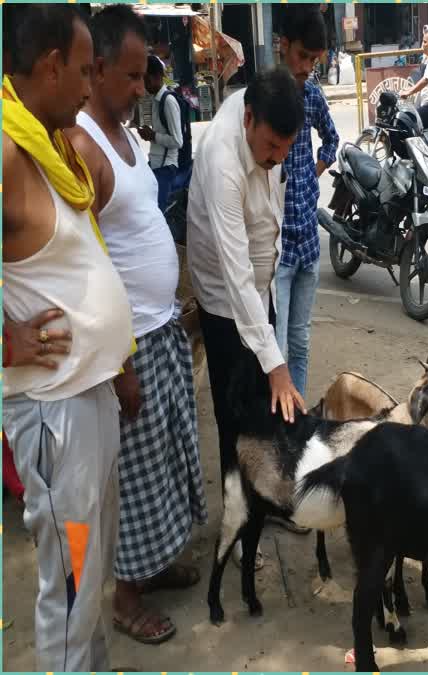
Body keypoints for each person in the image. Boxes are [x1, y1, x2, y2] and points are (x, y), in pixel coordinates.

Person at [65, 5, 208, 646]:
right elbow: (79, 269)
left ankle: (148, 570)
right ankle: (124, 597)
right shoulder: (81, 149)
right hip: (130, 347)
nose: (139, 86)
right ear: (94, 70)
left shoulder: (124, 135)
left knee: (170, 460)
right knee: (139, 479)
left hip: (161, 329)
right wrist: (119, 366)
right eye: (128, 75)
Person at [2, 4, 135, 670]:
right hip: (57, 421)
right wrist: (6, 345)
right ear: (52, 65)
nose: (90, 87)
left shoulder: (50, 147)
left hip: (90, 409)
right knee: (75, 585)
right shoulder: (4, 152)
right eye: (84, 71)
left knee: (91, 578)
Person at [186, 66, 307, 565]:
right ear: (248, 118)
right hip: (225, 303)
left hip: (261, 289)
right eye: (272, 148)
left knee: (267, 410)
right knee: (237, 419)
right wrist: (277, 365)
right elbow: (235, 278)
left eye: (286, 149)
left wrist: (272, 364)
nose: (278, 159)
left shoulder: (269, 133)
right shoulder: (221, 161)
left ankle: (269, 500)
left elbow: (267, 222)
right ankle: (235, 526)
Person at [276, 8, 338, 403]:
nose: (307, 68)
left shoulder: (313, 95)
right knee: (276, 346)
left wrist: (309, 177)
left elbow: (331, 142)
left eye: (315, 60)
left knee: (299, 340)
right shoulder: (264, 96)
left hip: (308, 243)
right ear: (283, 46)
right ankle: (278, 421)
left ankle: (295, 419)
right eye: (302, 57)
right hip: (276, 246)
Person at [141, 54, 183, 210]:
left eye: (146, 79)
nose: (144, 85)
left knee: (161, 213)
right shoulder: (156, 101)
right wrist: (151, 135)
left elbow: (178, 141)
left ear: (156, 77)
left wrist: (153, 136)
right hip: (156, 164)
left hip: (166, 167)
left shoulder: (168, 102)